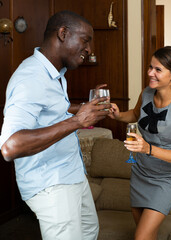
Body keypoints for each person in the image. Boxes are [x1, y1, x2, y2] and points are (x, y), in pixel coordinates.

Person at [0, 11, 111, 240]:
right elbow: (10, 147)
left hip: (72, 173)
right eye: (85, 40)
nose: (89, 49)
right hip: (52, 184)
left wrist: (81, 108)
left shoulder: (56, 73)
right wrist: (78, 120)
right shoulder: (30, 78)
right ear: (63, 33)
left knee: (90, 231)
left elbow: (51, 110)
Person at [108, 46, 171, 240]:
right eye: (150, 67)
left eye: (157, 70)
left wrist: (148, 148)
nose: (150, 73)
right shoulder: (147, 92)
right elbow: (137, 114)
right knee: (147, 236)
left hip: (166, 180)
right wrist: (118, 115)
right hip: (141, 173)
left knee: (141, 236)